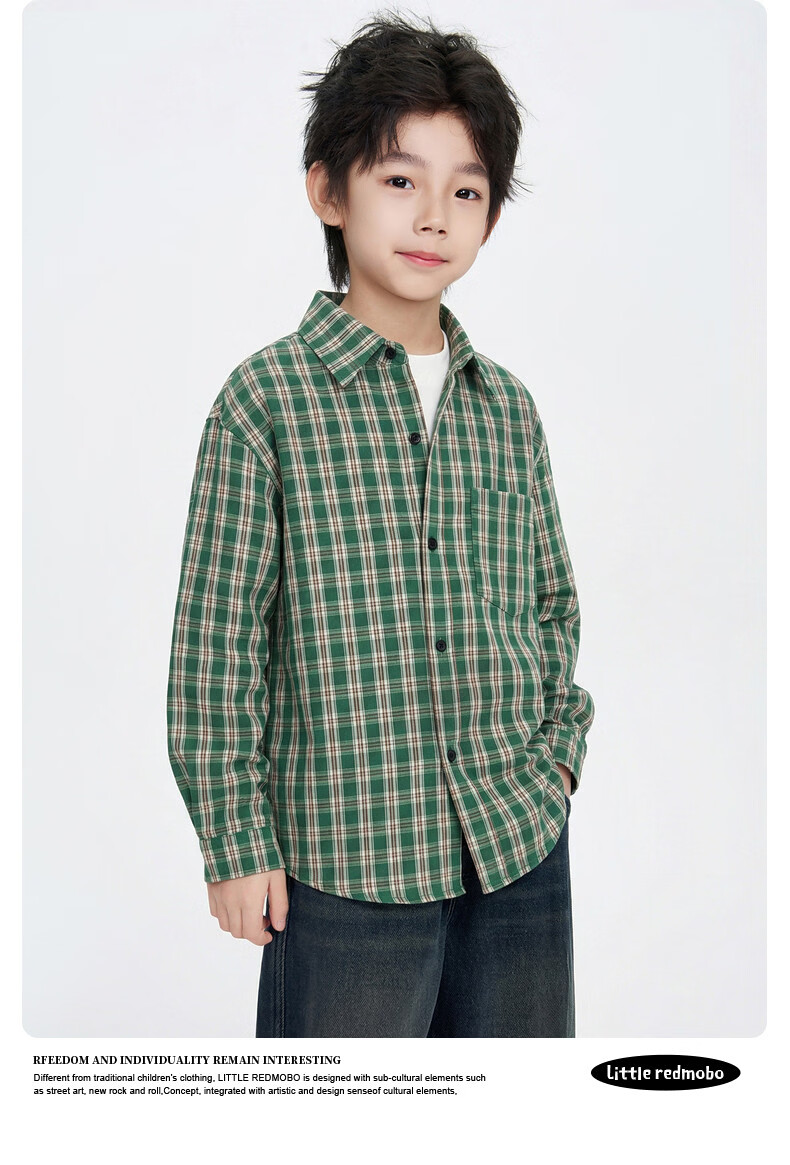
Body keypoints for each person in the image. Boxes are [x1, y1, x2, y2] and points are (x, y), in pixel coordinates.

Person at [167, 10, 595, 1038]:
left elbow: (549, 606)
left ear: (490, 218)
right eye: (400, 179)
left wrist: (556, 761)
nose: (433, 217)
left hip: (516, 844)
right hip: (345, 859)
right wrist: (234, 841)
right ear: (329, 190)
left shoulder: (508, 408)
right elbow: (218, 646)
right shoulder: (266, 402)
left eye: (466, 191)